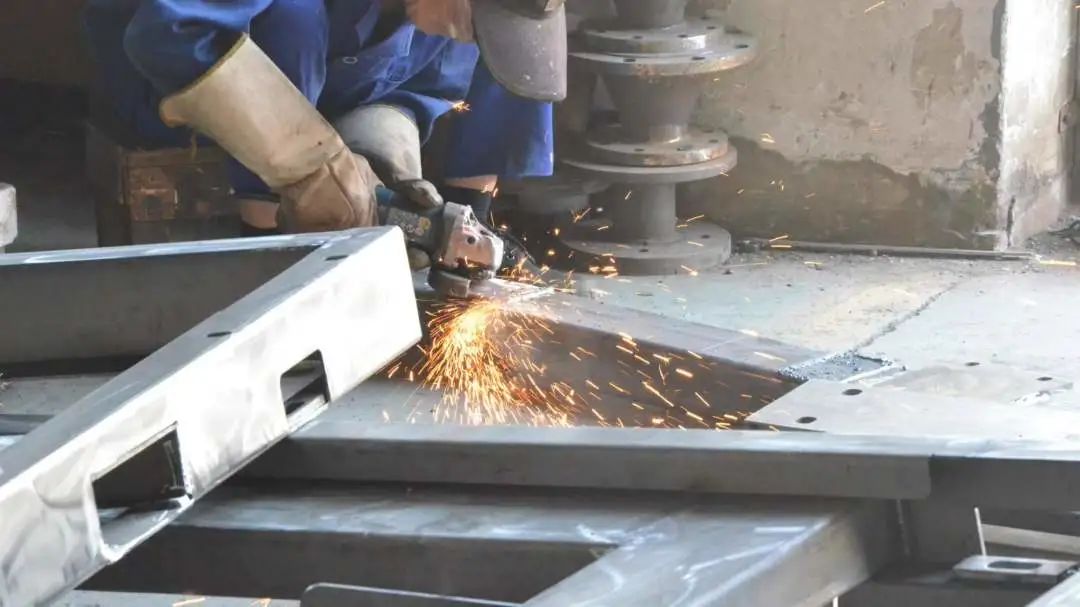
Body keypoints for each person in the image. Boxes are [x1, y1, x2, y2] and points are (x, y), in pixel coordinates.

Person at [82, 0, 565, 242]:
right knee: (292, 17)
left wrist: (382, 153)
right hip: (174, 79)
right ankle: (264, 241)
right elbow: (171, 33)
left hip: (336, 75)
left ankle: (475, 222)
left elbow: (431, 78)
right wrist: (312, 170)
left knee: (504, 51)